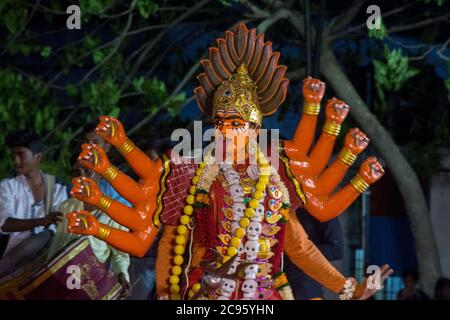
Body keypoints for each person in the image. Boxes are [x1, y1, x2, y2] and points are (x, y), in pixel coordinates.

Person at [66, 23, 393, 300]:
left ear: (255, 129)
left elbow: (300, 247)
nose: (225, 130)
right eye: (220, 122)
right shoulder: (189, 171)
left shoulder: (275, 177)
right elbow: (165, 240)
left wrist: (349, 288)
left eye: (235, 124)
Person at [0, 130, 67, 276]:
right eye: (13, 155)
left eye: (21, 155)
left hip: (47, 257)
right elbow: (4, 224)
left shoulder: (58, 187)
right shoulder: (7, 186)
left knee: (48, 235)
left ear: (38, 156)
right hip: (12, 258)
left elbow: (60, 226)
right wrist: (40, 221)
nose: (16, 161)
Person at [284, 209, 343, 300]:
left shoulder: (321, 208)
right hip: (266, 280)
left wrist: (345, 287)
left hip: (306, 286)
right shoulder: (283, 203)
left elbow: (336, 250)